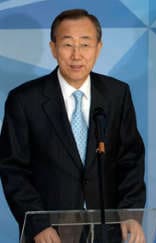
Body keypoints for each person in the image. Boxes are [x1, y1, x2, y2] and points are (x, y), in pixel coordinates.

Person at [0, 9, 146, 243]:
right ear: (53, 48)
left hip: (107, 231)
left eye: (85, 44)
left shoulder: (116, 94)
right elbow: (13, 170)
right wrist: (39, 225)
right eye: (68, 44)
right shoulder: (24, 100)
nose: (77, 55)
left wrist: (130, 213)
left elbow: (130, 159)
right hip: (50, 234)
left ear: (98, 48)